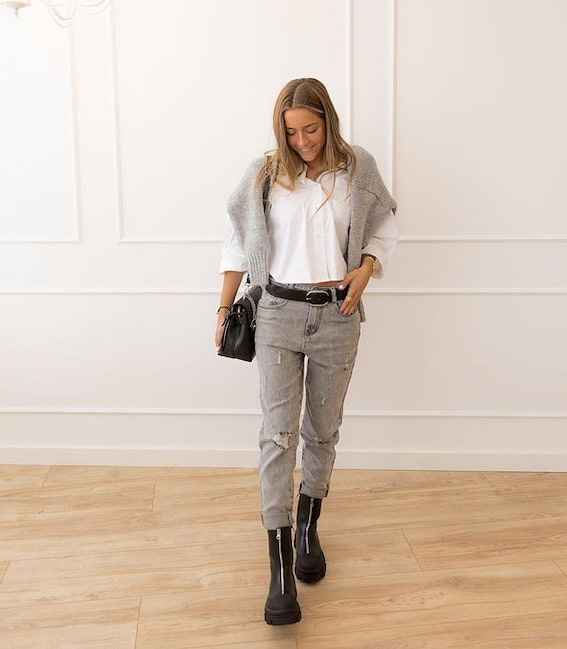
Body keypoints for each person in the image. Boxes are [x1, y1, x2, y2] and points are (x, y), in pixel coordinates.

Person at [216, 78, 398, 625]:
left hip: (338, 315)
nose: (302, 141)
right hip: (275, 313)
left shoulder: (358, 169)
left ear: (329, 121)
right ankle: (277, 566)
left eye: (311, 129)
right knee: (278, 435)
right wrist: (223, 309)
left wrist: (365, 270)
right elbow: (236, 242)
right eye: (291, 132)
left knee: (323, 429)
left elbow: (385, 226)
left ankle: (307, 527)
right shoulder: (266, 174)